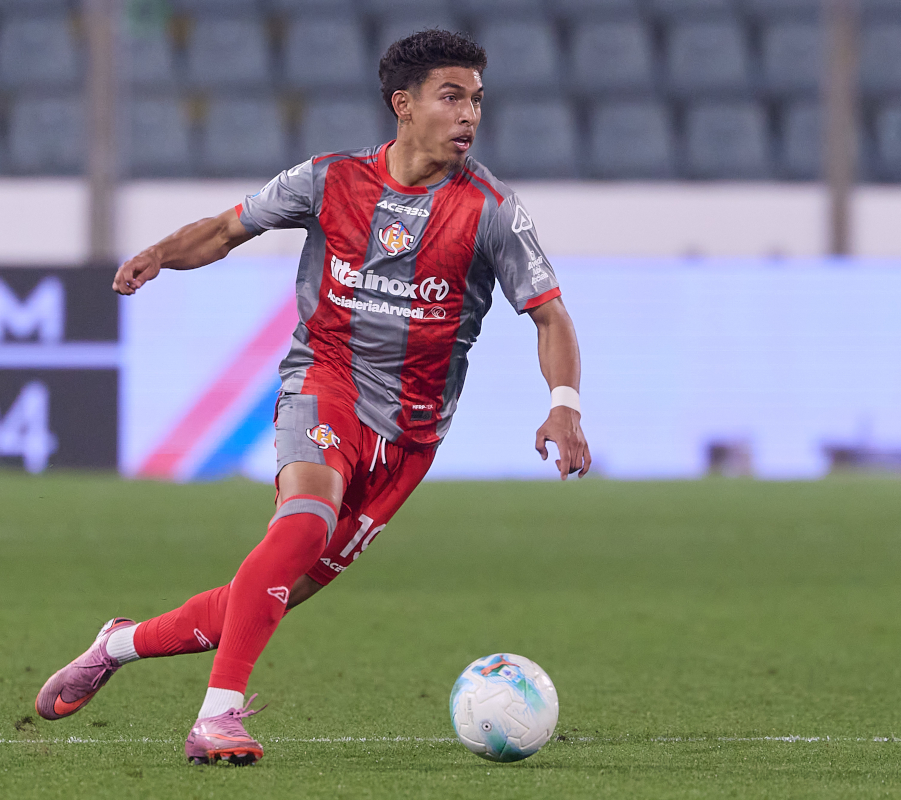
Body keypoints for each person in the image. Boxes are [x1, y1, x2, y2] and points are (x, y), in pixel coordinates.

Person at [34, 29, 591, 766]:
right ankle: (217, 718)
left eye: (477, 101)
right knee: (302, 522)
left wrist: (564, 404)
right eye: (451, 97)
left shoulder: (492, 209)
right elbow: (225, 229)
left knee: (270, 593)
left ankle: (118, 644)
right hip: (325, 381)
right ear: (403, 105)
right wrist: (161, 255)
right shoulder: (329, 180)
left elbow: (550, 315)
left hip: (411, 435)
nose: (468, 116)